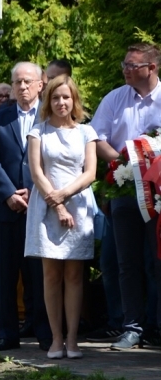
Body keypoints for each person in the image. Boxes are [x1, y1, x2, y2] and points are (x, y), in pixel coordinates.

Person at [90, 43, 161, 350]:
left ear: (152, 68)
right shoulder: (115, 98)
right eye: (125, 64)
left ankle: (156, 326)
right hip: (123, 189)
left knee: (157, 261)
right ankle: (131, 326)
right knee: (126, 262)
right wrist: (123, 163)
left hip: (158, 192)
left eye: (133, 65)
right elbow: (96, 138)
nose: (126, 70)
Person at [24, 75, 97, 359]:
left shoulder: (86, 132)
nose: (61, 102)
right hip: (46, 207)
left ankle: (73, 339)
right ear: (48, 101)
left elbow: (90, 173)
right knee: (51, 275)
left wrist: (65, 195)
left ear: (74, 99)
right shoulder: (38, 132)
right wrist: (58, 205)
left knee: (75, 275)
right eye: (55, 97)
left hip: (78, 205)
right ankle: (56, 339)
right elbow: (37, 173)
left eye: (66, 97)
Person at [0, 61, 51, 352]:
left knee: (39, 274)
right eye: (17, 82)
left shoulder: (50, 117)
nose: (22, 87)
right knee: (5, 275)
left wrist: (36, 191)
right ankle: (7, 334)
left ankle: (44, 333)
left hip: (39, 206)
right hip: (5, 209)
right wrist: (9, 193)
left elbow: (56, 159)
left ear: (40, 84)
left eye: (27, 81)